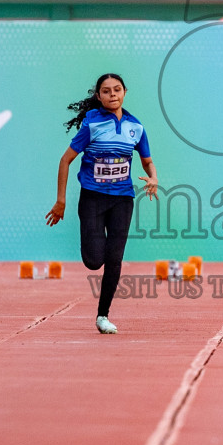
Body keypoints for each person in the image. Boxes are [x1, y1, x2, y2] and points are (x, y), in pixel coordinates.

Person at [47, 73, 157, 335]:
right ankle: (94, 244)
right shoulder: (92, 124)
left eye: (117, 90)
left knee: (114, 258)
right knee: (95, 261)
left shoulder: (136, 127)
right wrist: (60, 201)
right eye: (106, 91)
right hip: (93, 198)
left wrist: (153, 177)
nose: (112, 95)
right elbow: (65, 161)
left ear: (125, 92)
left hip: (122, 199)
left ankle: (102, 315)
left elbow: (147, 161)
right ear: (99, 96)